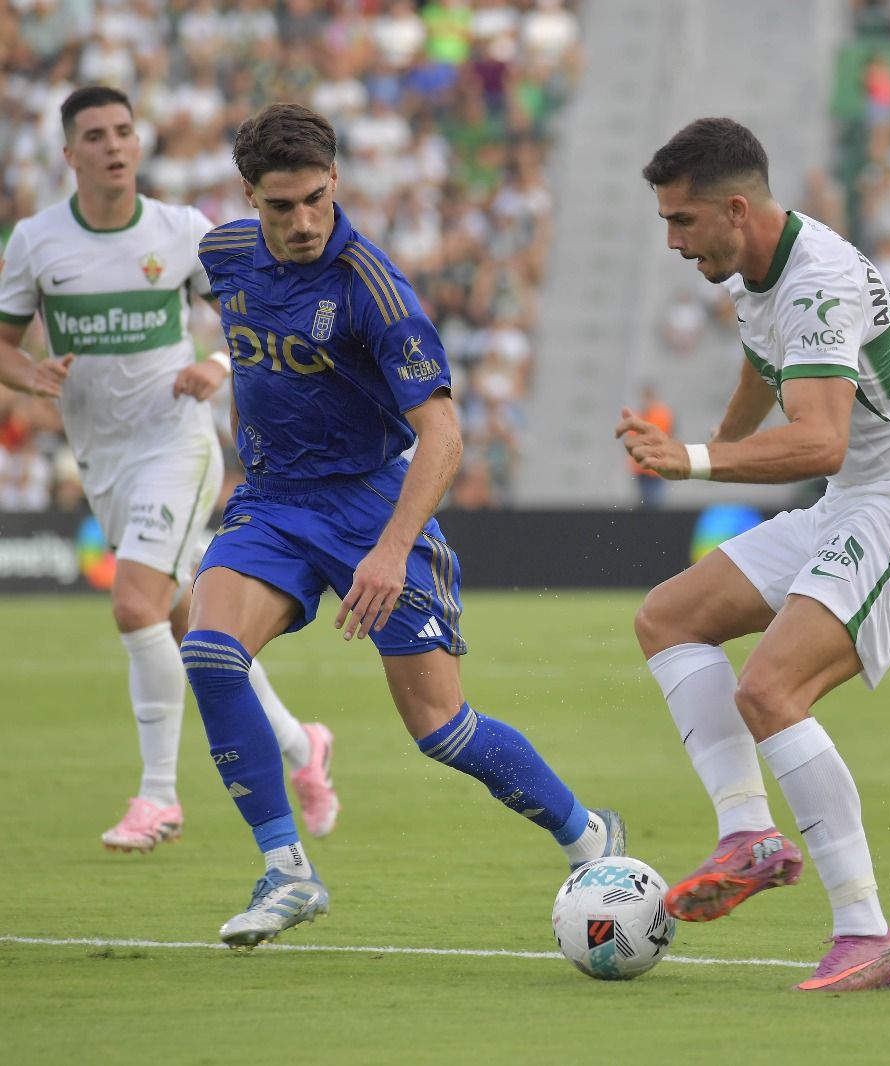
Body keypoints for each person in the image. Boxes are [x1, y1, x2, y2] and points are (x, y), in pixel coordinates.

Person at [183, 102, 623, 949]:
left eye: (317, 197)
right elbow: (231, 332)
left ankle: (587, 835)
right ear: (250, 197)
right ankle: (287, 872)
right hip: (273, 503)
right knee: (208, 653)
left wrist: (387, 553)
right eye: (282, 206)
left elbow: (445, 435)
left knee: (441, 731)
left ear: (337, 180)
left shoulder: (373, 289)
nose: (305, 220)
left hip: (371, 509)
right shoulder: (222, 255)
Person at [618, 117, 890, 992]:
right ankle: (748, 833)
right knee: (668, 618)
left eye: (682, 222)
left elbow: (818, 441)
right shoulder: (753, 265)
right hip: (856, 499)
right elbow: (759, 368)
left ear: (736, 209)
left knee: (769, 691)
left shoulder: (818, 282)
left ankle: (867, 933)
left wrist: (694, 462)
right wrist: (717, 440)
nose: (671, 241)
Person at [0, 86, 339, 854]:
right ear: (69, 154)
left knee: (133, 605)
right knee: (198, 632)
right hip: (102, 457)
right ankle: (301, 746)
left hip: (175, 445)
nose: (114, 145)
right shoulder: (36, 242)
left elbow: (259, 311)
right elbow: (5, 345)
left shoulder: (182, 231)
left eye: (124, 130)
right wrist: (31, 377)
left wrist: (216, 362)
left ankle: (158, 798)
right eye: (96, 135)